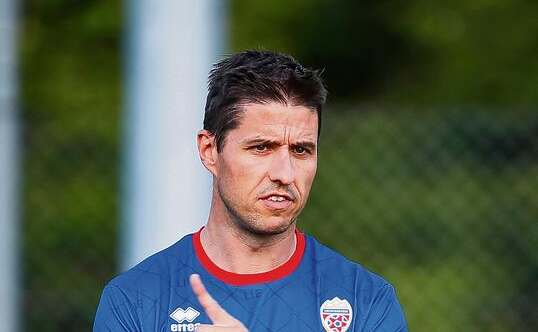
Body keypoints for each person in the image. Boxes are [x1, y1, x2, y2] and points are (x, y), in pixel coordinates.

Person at [93, 50, 408, 332]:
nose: (284, 173)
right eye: (261, 148)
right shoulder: (136, 299)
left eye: (301, 151)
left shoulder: (364, 300)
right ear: (209, 150)